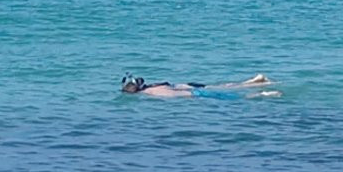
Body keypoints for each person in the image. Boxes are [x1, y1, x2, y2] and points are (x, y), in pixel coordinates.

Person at [120, 73, 280, 98]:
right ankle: (252, 82)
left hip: (194, 93)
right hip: (190, 86)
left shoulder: (151, 93)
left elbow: (179, 95)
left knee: (240, 98)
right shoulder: (153, 86)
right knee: (222, 86)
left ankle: (262, 94)